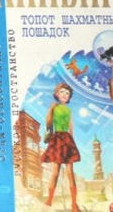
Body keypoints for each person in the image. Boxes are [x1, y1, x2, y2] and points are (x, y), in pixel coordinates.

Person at [41, 82, 81, 211]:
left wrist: (72, 143)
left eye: (67, 93)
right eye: (62, 92)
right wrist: (50, 109)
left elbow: (71, 127)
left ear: (69, 97)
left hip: (67, 140)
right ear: (57, 94)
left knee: (70, 172)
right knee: (55, 172)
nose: (64, 95)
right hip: (57, 139)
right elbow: (48, 123)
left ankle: (74, 204)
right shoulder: (54, 107)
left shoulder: (68, 110)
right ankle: (49, 200)